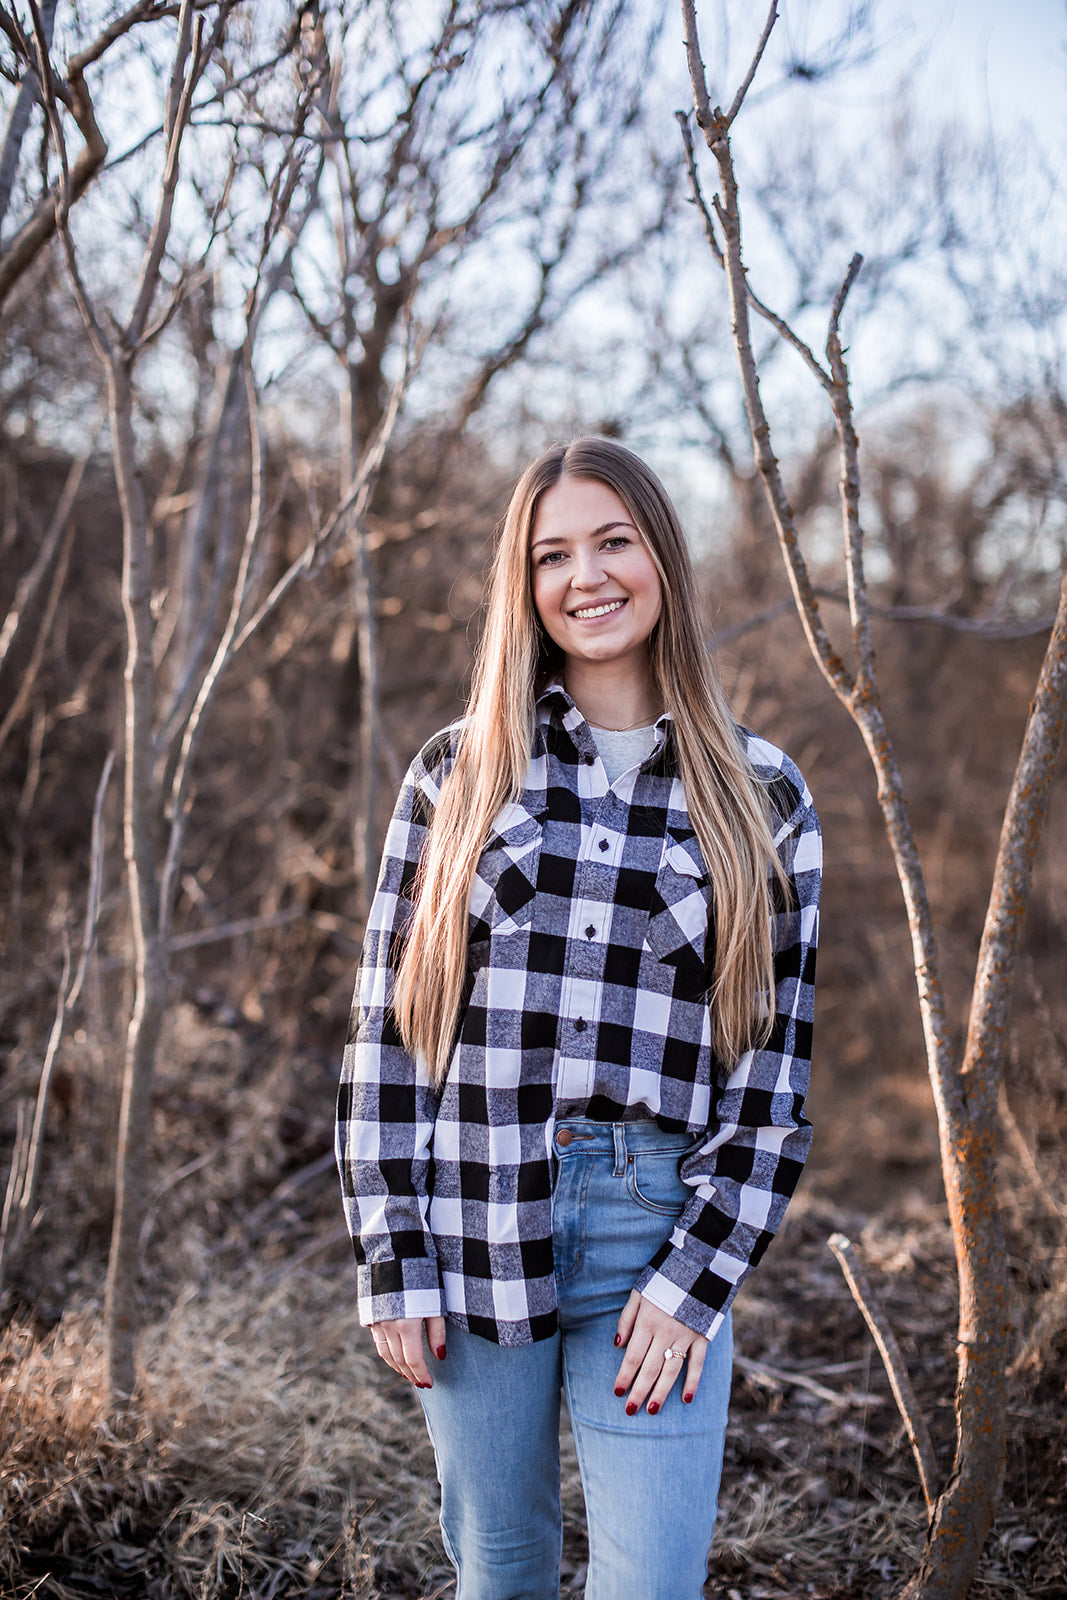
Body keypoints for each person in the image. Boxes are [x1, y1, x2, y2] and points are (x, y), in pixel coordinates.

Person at [336, 437, 821, 1600]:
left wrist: (695, 1277)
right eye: (552, 553)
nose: (585, 575)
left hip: (647, 1234)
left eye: (612, 540)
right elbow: (387, 1039)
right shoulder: (454, 776)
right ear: (525, 584)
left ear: (660, 555)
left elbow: (771, 1075)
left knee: (647, 1584)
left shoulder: (761, 795)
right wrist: (389, 1252)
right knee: (500, 1574)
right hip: (469, 1216)